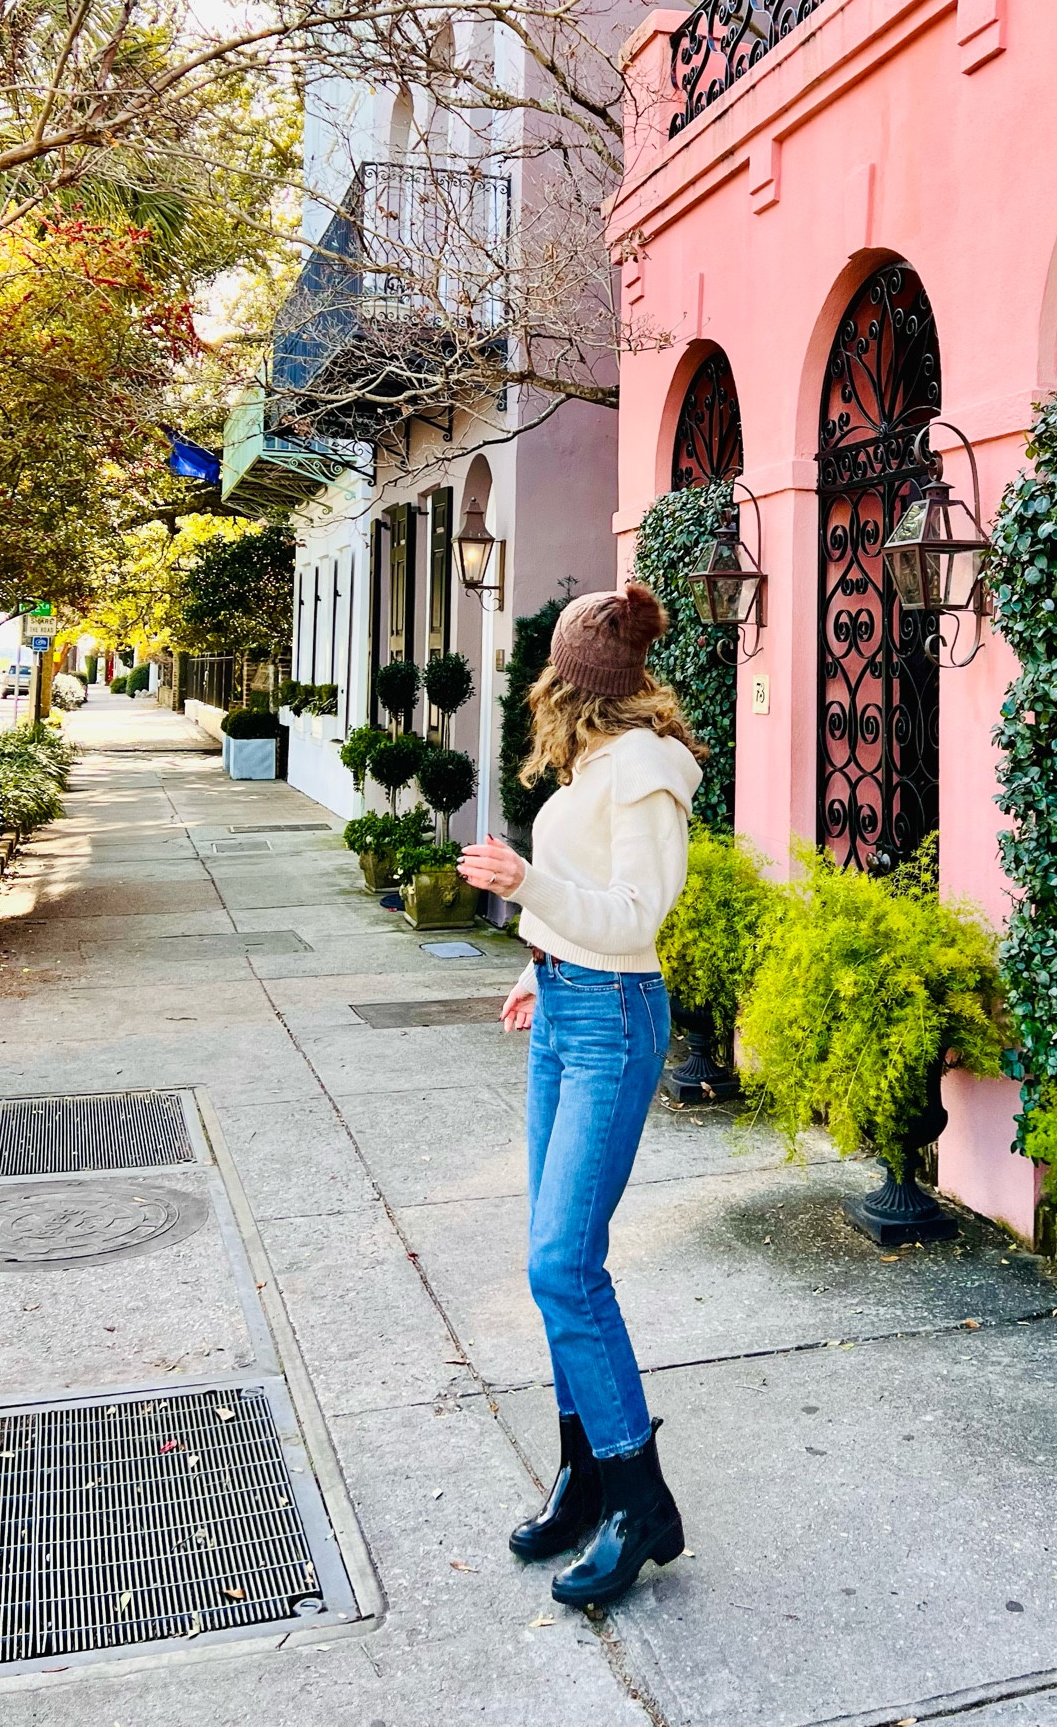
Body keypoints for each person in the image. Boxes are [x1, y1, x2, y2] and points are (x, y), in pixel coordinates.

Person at [459, 583, 704, 1608]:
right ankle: (588, 1476)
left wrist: (528, 888)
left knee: (562, 1263)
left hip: (611, 1019)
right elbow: (582, 900)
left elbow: (638, 912)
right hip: (568, 1003)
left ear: (574, 679)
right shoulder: (600, 763)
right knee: (556, 1258)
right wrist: (534, 959)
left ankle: (640, 1500)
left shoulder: (643, 772)